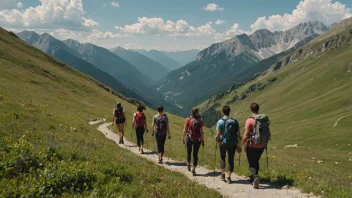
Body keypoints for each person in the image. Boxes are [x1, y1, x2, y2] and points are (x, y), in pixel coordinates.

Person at [240, 102, 270, 189]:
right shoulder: (263, 119)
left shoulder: (250, 120)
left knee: (251, 163)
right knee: (256, 161)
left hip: (252, 145)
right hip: (262, 145)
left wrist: (241, 145)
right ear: (258, 109)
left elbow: (246, 135)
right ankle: (253, 177)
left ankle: (255, 177)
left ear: (250, 109)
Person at [215, 105, 241, 184]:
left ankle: (222, 175)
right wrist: (238, 144)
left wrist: (217, 141)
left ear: (223, 112)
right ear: (229, 112)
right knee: (231, 159)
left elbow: (218, 134)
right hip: (233, 143)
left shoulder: (220, 121)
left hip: (223, 143)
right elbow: (238, 134)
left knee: (223, 158)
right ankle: (229, 177)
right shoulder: (234, 121)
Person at [182, 107, 204, 176]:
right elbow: (202, 131)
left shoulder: (188, 119)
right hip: (197, 139)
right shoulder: (199, 120)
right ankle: (193, 170)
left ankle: (188, 163)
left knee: (189, 152)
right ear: (197, 112)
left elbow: (185, 129)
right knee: (195, 154)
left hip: (189, 138)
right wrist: (203, 140)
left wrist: (182, 138)